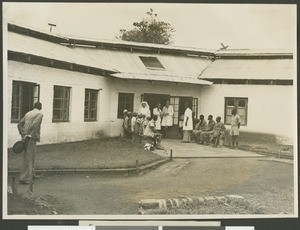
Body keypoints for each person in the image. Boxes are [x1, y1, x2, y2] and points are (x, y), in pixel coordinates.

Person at [17, 102, 43, 184]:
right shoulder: (39, 114)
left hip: (26, 136)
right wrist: (27, 135)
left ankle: (32, 174)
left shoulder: (28, 113)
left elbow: (19, 124)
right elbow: (34, 126)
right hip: (30, 137)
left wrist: (23, 133)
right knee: (29, 157)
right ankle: (24, 178)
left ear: (34, 106)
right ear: (40, 107)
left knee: (29, 155)